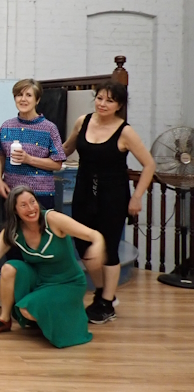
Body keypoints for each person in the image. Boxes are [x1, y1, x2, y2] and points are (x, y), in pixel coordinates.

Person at [0, 186, 105, 349]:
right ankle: (4, 319)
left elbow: (94, 235)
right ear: (14, 210)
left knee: (28, 311)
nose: (31, 208)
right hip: (40, 279)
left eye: (32, 202)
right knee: (9, 268)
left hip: (68, 282)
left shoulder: (53, 219)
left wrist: (98, 245)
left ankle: (64, 315)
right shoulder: (12, 231)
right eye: (23, 205)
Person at [62, 81, 155, 323]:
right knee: (84, 248)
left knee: (109, 249)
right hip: (83, 192)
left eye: (110, 101)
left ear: (119, 106)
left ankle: (105, 302)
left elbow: (149, 165)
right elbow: (67, 148)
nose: (103, 104)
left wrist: (136, 197)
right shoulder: (82, 121)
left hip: (113, 196)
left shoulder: (125, 132)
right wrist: (40, 158)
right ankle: (105, 293)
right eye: (100, 98)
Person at [0, 79, 66, 209]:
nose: (23, 99)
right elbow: (0, 155)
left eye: (29, 95)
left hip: (40, 195)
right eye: (19, 95)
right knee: (11, 229)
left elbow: (57, 164)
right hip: (11, 193)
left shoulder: (49, 128)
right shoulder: (7, 126)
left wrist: (29, 159)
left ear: (37, 100)